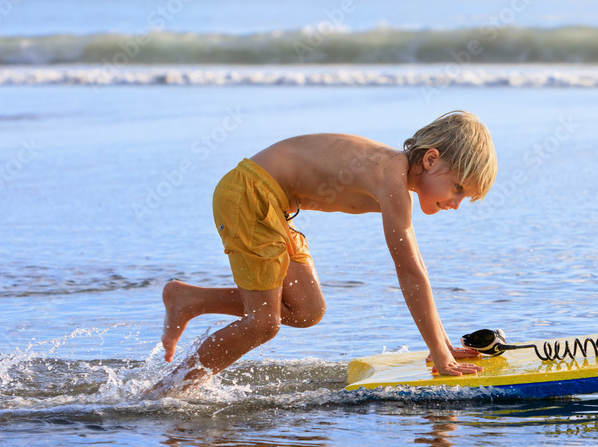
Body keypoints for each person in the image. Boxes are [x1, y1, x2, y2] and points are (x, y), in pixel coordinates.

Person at [145, 110, 497, 397]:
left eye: (464, 198)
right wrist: (439, 352)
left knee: (307, 310)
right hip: (250, 194)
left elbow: (413, 270)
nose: (455, 203)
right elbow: (410, 271)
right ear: (431, 159)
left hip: (273, 207)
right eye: (458, 189)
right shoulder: (390, 176)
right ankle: (165, 392)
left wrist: (444, 345)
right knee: (264, 324)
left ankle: (191, 300)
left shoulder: (395, 178)